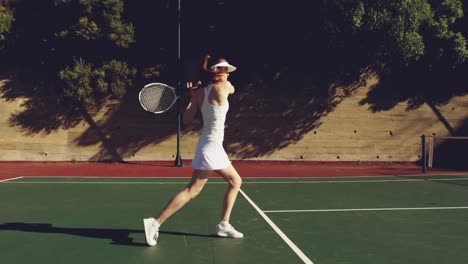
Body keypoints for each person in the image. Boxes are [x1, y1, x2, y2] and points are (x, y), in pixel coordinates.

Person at [143, 55, 243, 246]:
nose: (227, 73)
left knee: (235, 181)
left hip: (212, 144)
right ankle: (155, 223)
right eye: (222, 69)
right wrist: (199, 88)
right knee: (192, 191)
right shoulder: (223, 87)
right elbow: (231, 88)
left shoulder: (199, 93)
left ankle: (224, 224)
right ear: (213, 71)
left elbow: (187, 119)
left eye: (227, 69)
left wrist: (191, 96)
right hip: (211, 147)